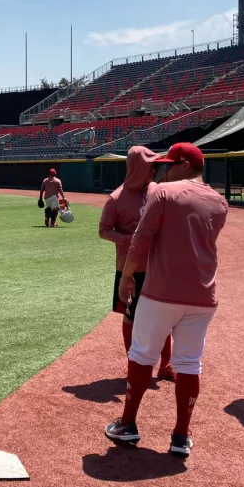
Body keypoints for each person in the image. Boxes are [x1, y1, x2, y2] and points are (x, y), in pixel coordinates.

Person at [104, 143, 228, 457]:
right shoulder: (220, 201)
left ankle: (128, 424)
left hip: (161, 290)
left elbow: (143, 238)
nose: (165, 170)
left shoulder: (162, 193)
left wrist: (128, 274)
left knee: (142, 355)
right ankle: (181, 436)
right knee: (189, 363)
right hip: (203, 293)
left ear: (185, 165)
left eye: (171, 164)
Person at [99, 146, 176, 381]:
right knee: (131, 317)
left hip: (158, 267)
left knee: (163, 319)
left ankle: (165, 365)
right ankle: (134, 364)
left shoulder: (157, 191)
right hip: (130, 270)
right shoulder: (116, 198)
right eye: (151, 166)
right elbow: (103, 231)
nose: (155, 170)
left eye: (156, 166)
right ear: (138, 168)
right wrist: (128, 240)